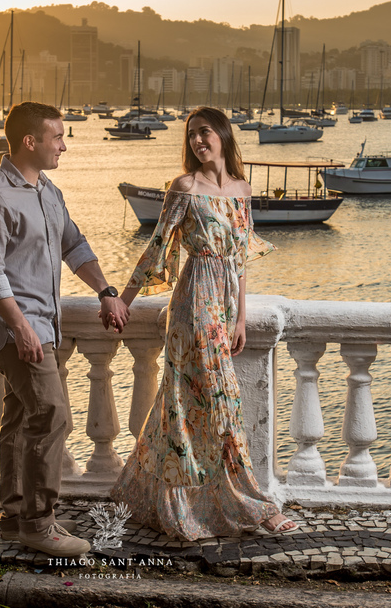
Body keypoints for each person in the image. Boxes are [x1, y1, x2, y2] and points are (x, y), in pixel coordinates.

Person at [109, 106, 296, 540]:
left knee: (185, 400)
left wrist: (241, 317)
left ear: (224, 136)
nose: (197, 141)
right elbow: (157, 249)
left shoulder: (242, 190)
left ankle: (163, 494)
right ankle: (244, 501)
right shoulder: (185, 188)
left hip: (224, 302)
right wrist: (123, 299)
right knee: (215, 400)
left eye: (205, 132)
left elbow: (242, 259)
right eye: (192, 135)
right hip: (194, 299)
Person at [0, 101, 130, 557]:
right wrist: (20, 327)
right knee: (53, 415)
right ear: (29, 141)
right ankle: (40, 524)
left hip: (47, 328)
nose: (64, 145)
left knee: (20, 420)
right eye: (57, 137)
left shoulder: (47, 190)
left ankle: (16, 514)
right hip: (16, 331)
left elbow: (74, 244)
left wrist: (105, 291)